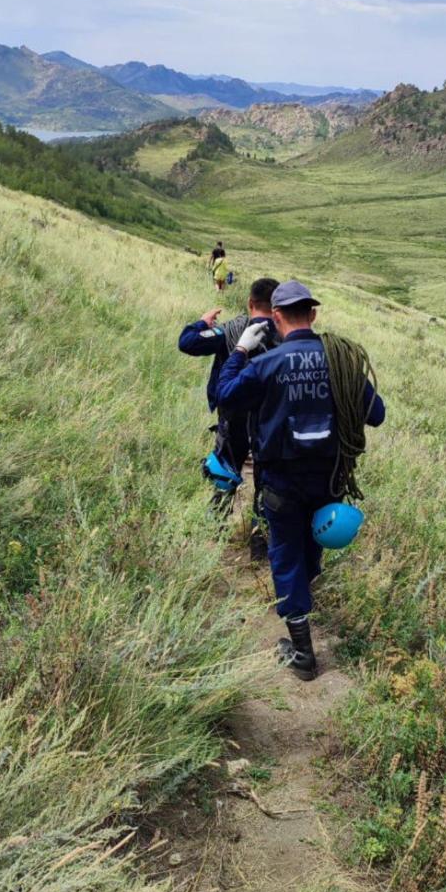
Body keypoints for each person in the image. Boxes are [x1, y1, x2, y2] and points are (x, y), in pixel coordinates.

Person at [216, 280, 385, 680]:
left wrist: (240, 348)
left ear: (275, 318)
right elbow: (375, 415)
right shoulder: (341, 361)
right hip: (329, 481)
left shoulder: (265, 363)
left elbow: (226, 396)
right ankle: (303, 598)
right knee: (309, 550)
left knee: (286, 553)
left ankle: (304, 652)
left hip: (281, 481)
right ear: (312, 314)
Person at [178, 277, 280, 558]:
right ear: (277, 306)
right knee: (266, 481)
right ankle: (260, 546)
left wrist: (202, 323)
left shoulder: (232, 329)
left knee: (225, 472)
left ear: (250, 303)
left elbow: (187, 343)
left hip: (233, 417)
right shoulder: (285, 335)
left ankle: (214, 533)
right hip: (268, 422)